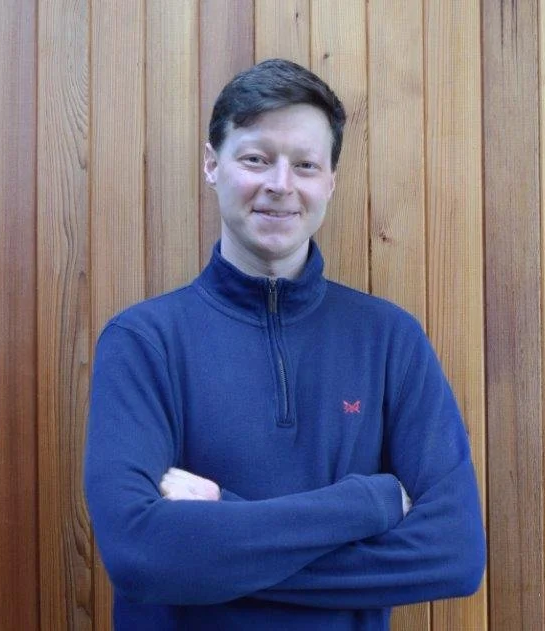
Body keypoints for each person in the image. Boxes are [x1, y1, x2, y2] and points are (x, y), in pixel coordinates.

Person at [84, 58, 486, 630]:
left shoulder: (390, 340)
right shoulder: (143, 343)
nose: (280, 184)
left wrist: (220, 527)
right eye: (255, 158)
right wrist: (367, 504)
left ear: (330, 182)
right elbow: (140, 554)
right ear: (212, 165)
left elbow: (453, 555)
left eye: (305, 164)